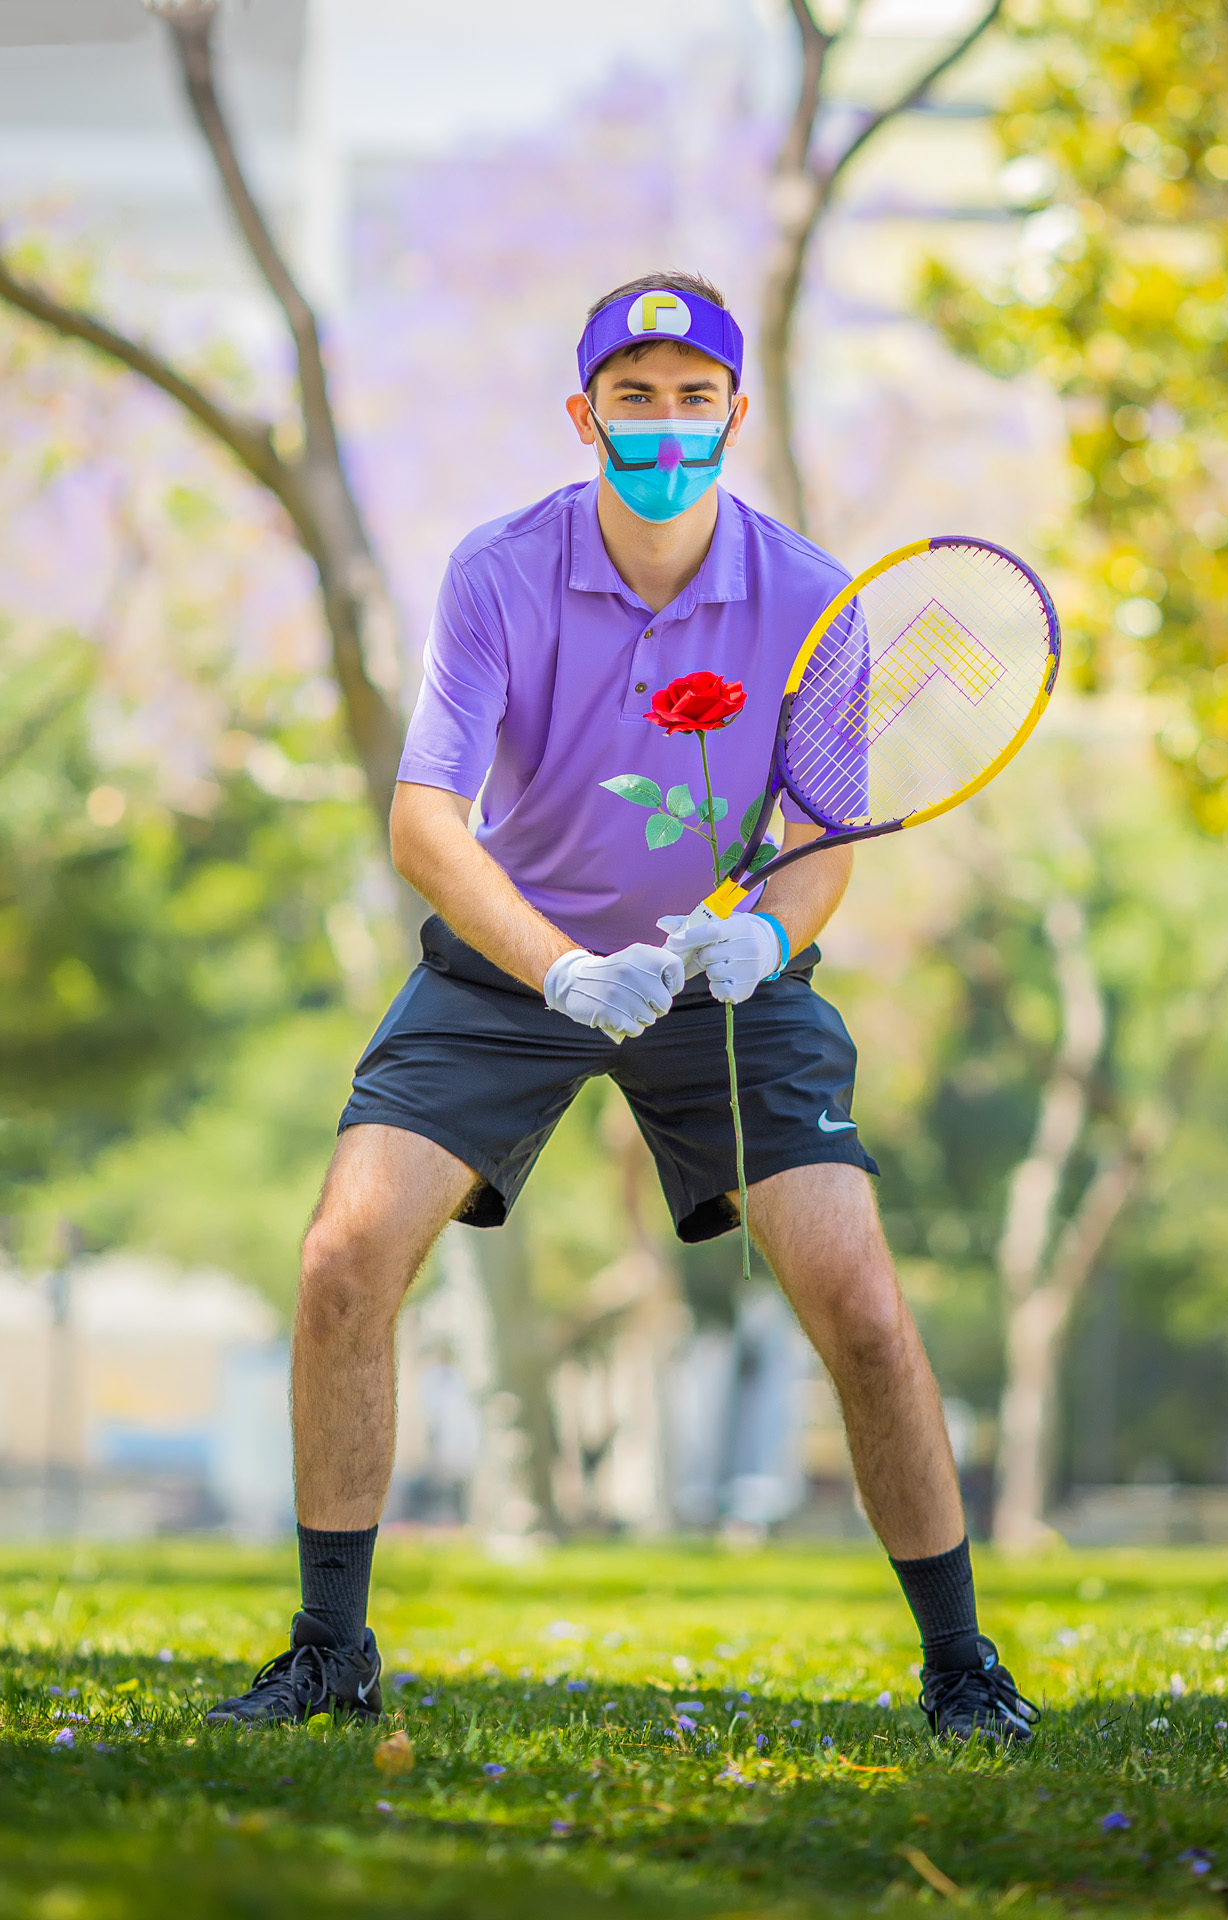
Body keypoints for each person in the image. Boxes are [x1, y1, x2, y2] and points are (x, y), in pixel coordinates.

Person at [207, 271, 1037, 1744]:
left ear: (736, 412)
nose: (665, 426)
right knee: (343, 1257)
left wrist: (763, 940)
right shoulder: (498, 572)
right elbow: (424, 819)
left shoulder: (813, 598)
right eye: (633, 399)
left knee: (858, 1299)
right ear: (584, 417)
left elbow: (822, 843)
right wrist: (563, 970)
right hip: (515, 965)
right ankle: (330, 1651)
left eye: (692, 399)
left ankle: (964, 1668)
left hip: (722, 981)